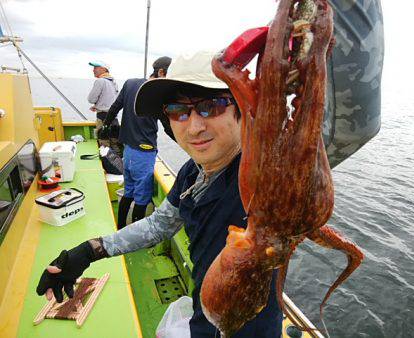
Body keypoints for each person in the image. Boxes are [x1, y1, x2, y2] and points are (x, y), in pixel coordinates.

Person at [36, 50, 283, 337]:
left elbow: (335, 131)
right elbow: (160, 224)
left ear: (242, 108)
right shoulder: (193, 171)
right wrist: (90, 250)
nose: (194, 126)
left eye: (210, 106)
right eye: (178, 111)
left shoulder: (267, 174)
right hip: (205, 315)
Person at [101, 56, 173, 229]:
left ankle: (119, 228)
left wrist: (105, 125)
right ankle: (134, 237)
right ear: (161, 72)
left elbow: (115, 107)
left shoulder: (130, 83)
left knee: (129, 192)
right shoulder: (159, 94)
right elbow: (168, 126)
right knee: (141, 198)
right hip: (144, 153)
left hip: (129, 151)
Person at [87, 61, 120, 151]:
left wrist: (96, 105)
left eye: (95, 68)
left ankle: (107, 163)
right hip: (114, 117)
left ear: (103, 69)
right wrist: (98, 105)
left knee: (104, 143)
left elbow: (91, 99)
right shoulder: (113, 81)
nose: (93, 70)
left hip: (103, 117)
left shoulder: (100, 81)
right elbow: (113, 99)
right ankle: (117, 162)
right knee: (115, 142)